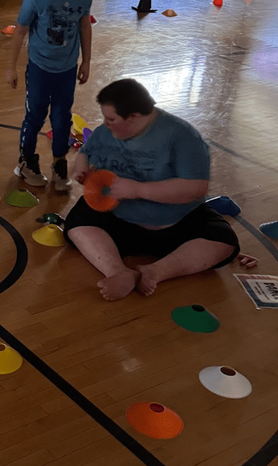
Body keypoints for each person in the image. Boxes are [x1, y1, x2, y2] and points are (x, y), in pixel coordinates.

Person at [64, 78, 258, 301]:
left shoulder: (182, 136)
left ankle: (154, 272)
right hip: (120, 218)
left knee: (224, 240)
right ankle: (119, 273)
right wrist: (83, 172)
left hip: (174, 225)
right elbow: (86, 153)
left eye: (111, 119)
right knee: (77, 222)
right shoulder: (108, 131)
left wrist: (137, 190)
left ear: (134, 117)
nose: (106, 124)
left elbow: (195, 187)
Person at [5, 0, 92, 192]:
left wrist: (86, 60)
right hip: (39, 70)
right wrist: (11, 67)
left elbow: (85, 26)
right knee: (35, 116)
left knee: (62, 119)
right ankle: (26, 162)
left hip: (66, 70)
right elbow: (20, 31)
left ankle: (59, 162)